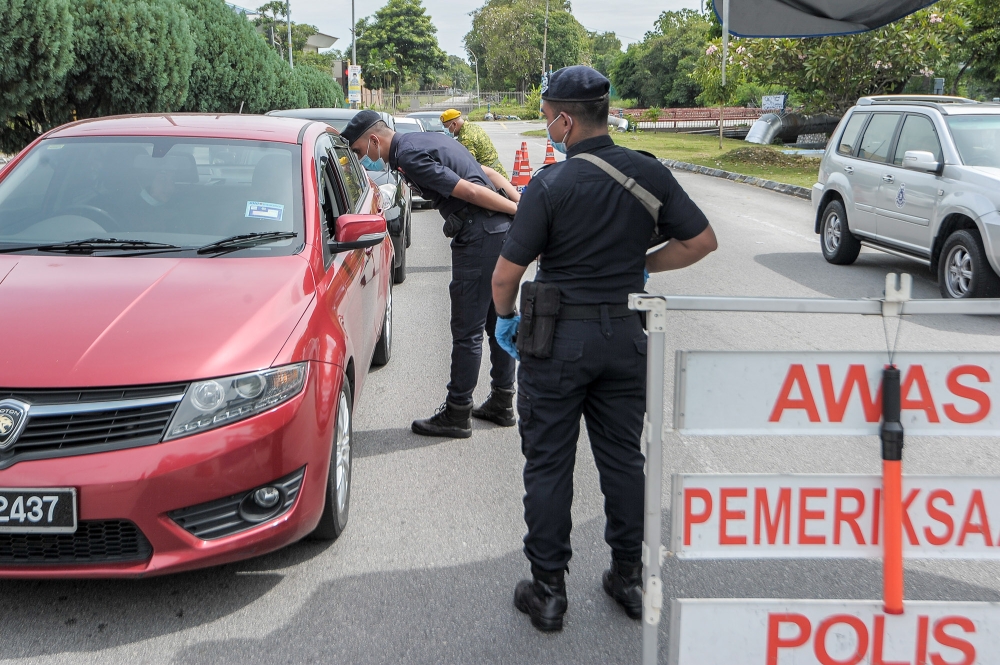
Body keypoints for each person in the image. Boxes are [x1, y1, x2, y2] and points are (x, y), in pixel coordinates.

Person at [490, 66, 718, 632]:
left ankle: (547, 592)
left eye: (547, 118)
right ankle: (629, 578)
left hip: (556, 342)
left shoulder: (550, 185)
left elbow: (504, 276)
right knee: (623, 460)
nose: (547, 128)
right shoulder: (648, 171)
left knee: (548, 464)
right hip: (626, 335)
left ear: (565, 119)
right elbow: (700, 241)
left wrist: (505, 320)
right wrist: (644, 264)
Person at [339, 110, 522, 438]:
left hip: (479, 236)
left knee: (468, 329)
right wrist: (516, 199)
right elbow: (486, 171)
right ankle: (503, 400)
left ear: (374, 140)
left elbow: (469, 190)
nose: (364, 160)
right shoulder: (427, 139)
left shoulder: (407, 156)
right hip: (498, 236)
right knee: (498, 321)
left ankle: (457, 412)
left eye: (362, 151)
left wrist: (519, 209)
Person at [440, 109, 508, 179]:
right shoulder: (473, 127)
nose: (445, 130)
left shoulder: (466, 138)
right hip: (498, 172)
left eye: (446, 127)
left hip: (491, 178)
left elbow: (468, 166)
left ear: (454, 124)